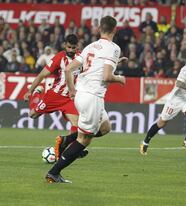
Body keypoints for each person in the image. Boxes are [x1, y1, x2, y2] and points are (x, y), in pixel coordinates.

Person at [45, 16, 126, 183]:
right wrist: (119, 78)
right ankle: (54, 172)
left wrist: (73, 91)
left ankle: (67, 139)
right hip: (93, 97)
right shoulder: (113, 48)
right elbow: (106, 76)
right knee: (84, 140)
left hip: (81, 95)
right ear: (115, 30)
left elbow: (68, 69)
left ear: (99, 29)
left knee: (105, 127)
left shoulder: (90, 46)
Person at [140, 50, 186, 155]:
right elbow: (179, 83)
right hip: (175, 99)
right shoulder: (185, 69)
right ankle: (145, 142)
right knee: (161, 123)